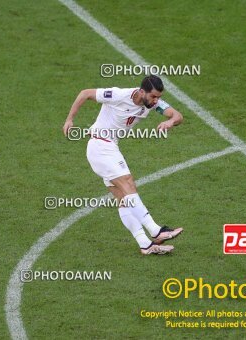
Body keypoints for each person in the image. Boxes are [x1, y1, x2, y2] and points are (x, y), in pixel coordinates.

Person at [63, 75, 183, 255]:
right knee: (128, 182)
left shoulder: (153, 104)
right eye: (153, 96)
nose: (156, 100)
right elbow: (85, 93)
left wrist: (170, 121)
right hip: (100, 145)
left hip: (109, 147)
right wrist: (69, 119)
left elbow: (177, 115)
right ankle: (155, 230)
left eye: (158, 97)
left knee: (123, 199)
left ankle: (145, 244)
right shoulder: (119, 95)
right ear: (142, 92)